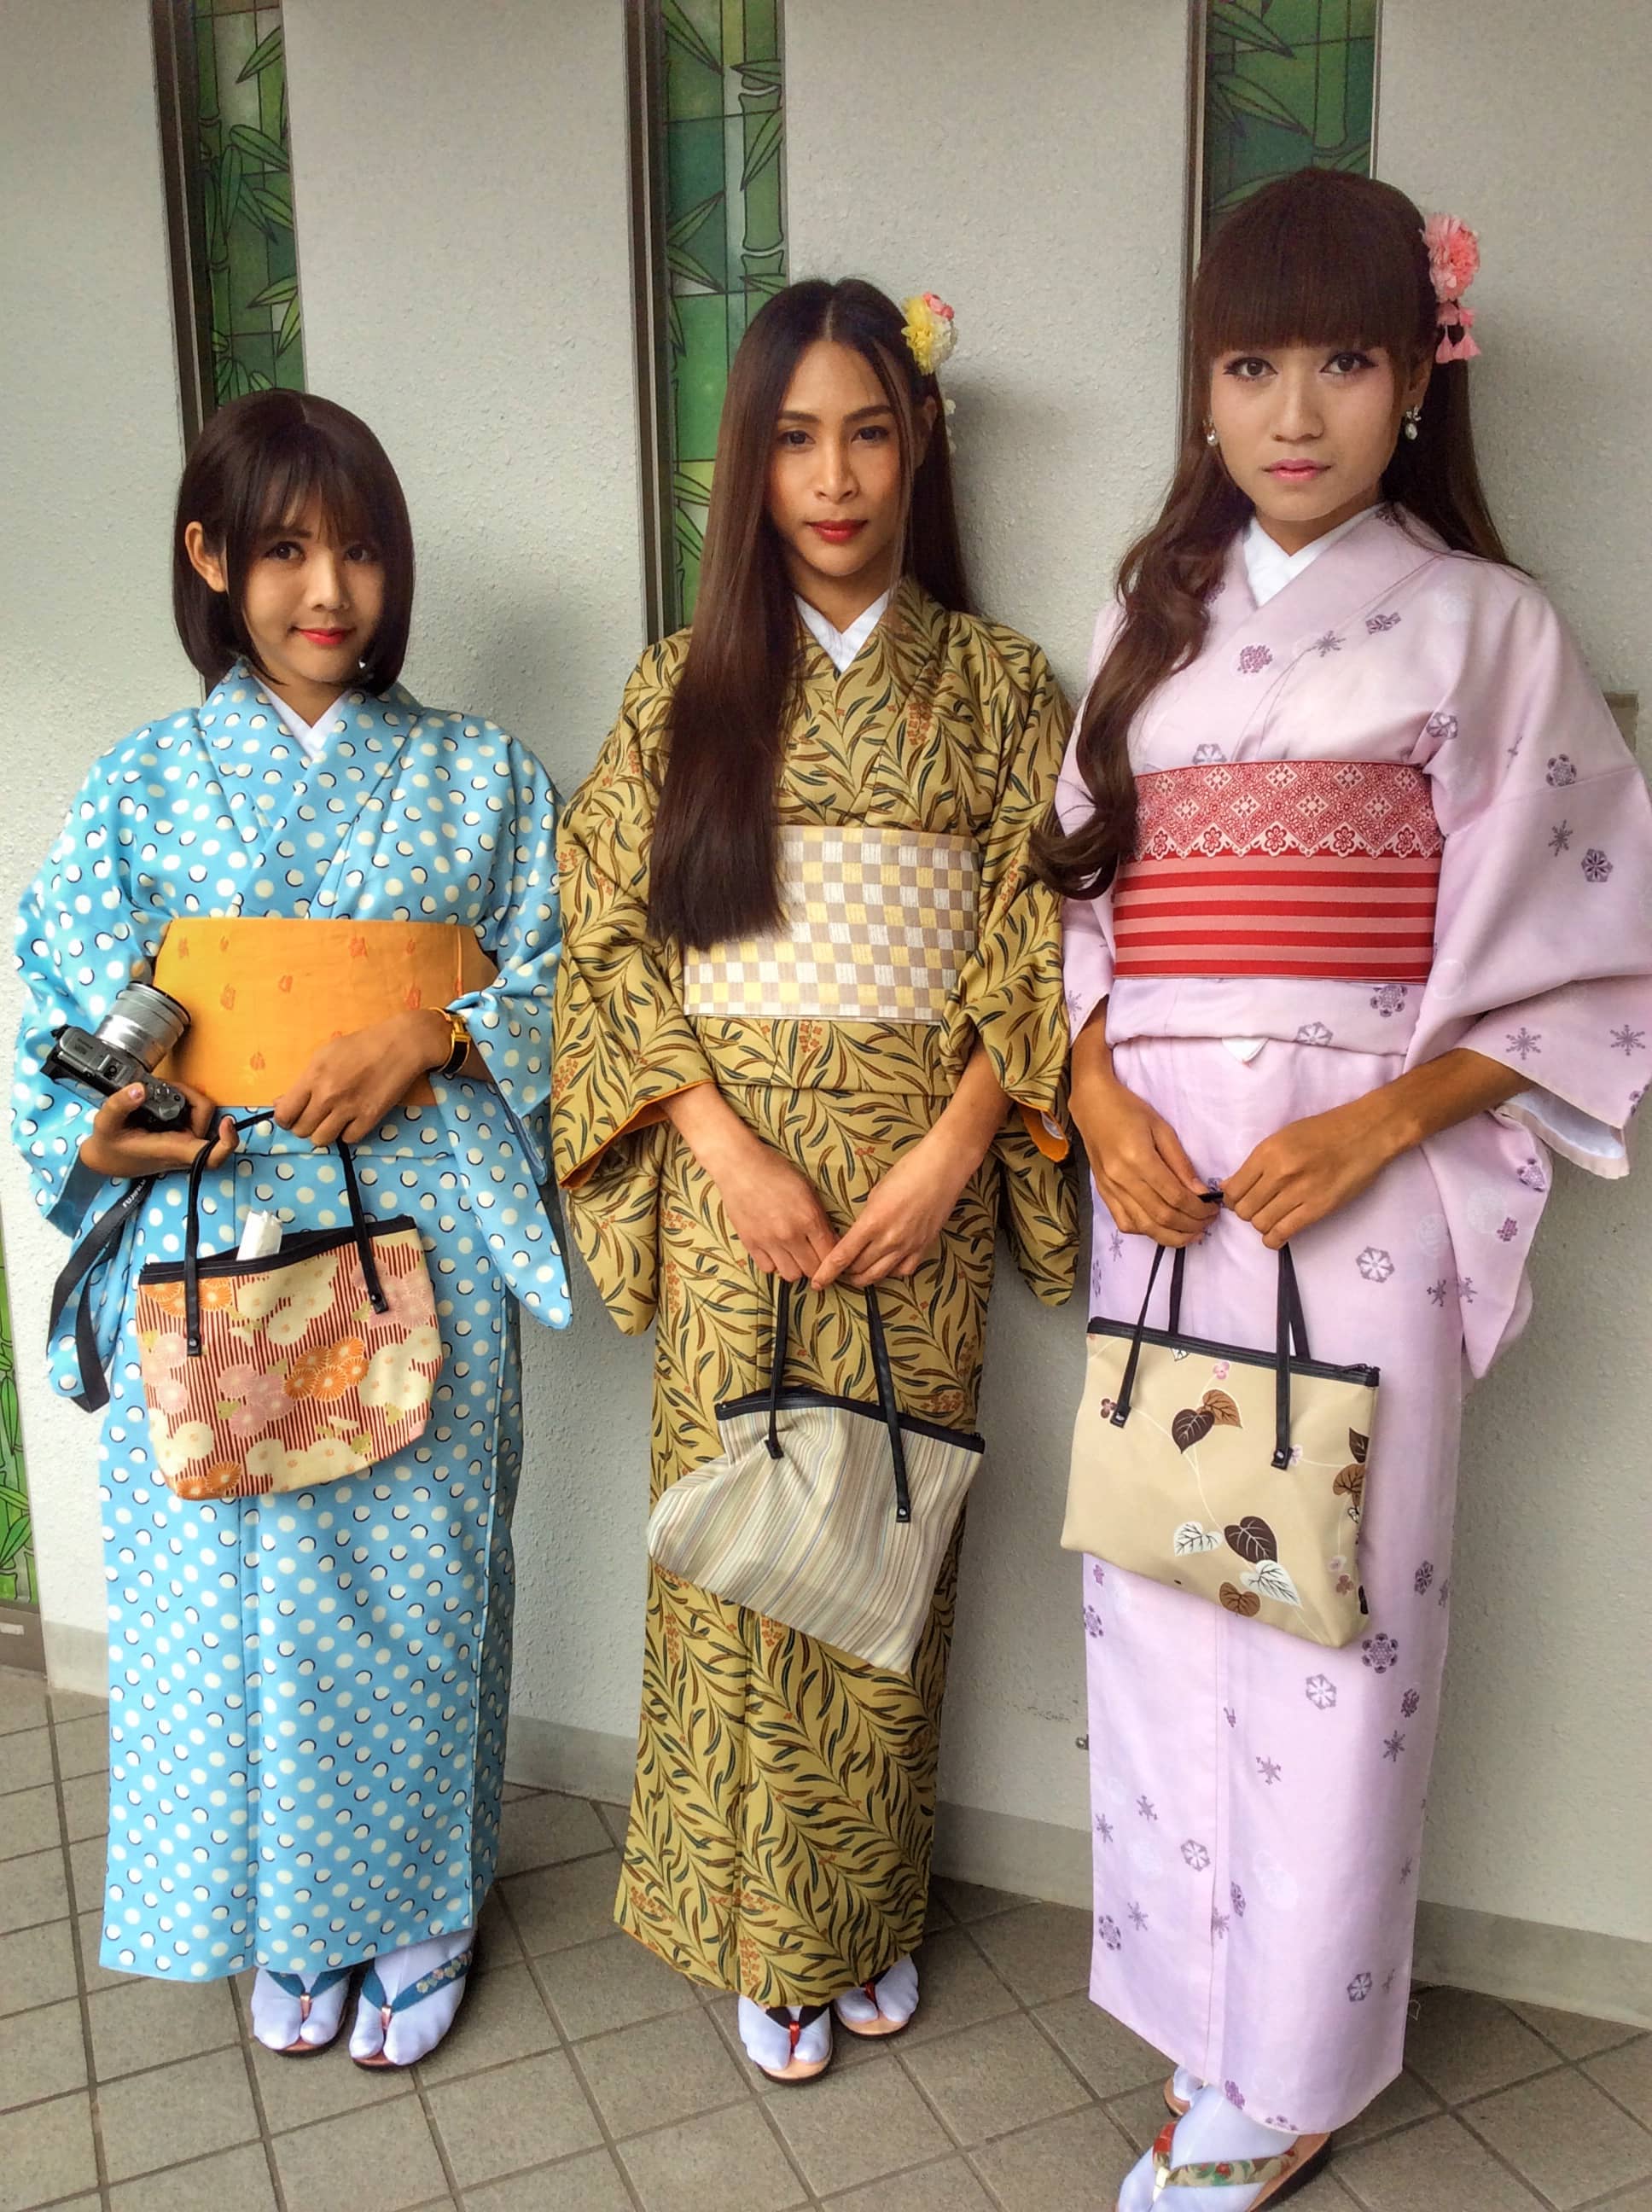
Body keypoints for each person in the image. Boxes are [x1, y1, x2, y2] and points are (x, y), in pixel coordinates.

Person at [1037, 170, 1652, 2208]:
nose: (1290, 410)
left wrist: (1381, 1123)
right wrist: (1088, 1086)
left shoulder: (1485, 626)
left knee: (1331, 1607)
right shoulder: (1146, 619)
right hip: (1163, 1188)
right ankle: (1187, 2009)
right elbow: (1081, 912)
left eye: (1341, 360)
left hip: (1357, 1194)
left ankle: (1290, 2066)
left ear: (1415, 377)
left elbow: (1587, 951)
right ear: (1200, 390)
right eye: (1246, 365)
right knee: (1157, 1574)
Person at [553, 278, 1074, 2083]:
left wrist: (957, 1148)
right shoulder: (677, 689)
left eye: (866, 431)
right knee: (740, 1556)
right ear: (747, 466)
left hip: (916, 1202)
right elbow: (604, 942)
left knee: (882, 1541)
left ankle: (864, 1911)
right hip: (732, 1199)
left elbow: (1043, 941)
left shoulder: (1000, 688)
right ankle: (759, 1935)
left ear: (921, 442)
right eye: (792, 440)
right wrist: (717, 1144)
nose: (834, 477)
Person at [11, 390, 569, 2068]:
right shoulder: (140, 786)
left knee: (416, 1577)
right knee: (222, 1590)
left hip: (417, 1221)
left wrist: (439, 1031)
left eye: (361, 551)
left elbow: (577, 970)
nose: (330, 590)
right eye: (283, 552)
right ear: (209, 559)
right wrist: (98, 1122)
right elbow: (56, 1005)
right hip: (211, 1222)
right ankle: (282, 1911)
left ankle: (417, 1906)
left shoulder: (481, 774)